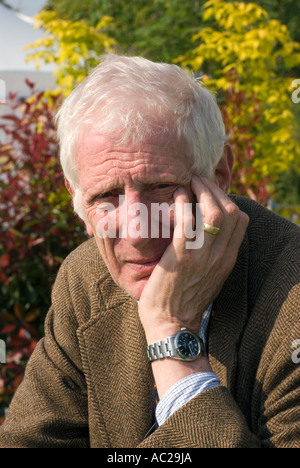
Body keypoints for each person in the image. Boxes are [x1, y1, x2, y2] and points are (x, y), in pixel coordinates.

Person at [0, 54, 299, 448]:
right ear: (78, 202)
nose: (138, 232)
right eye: (107, 196)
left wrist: (170, 330)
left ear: (220, 175)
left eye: (160, 186)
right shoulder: (85, 277)